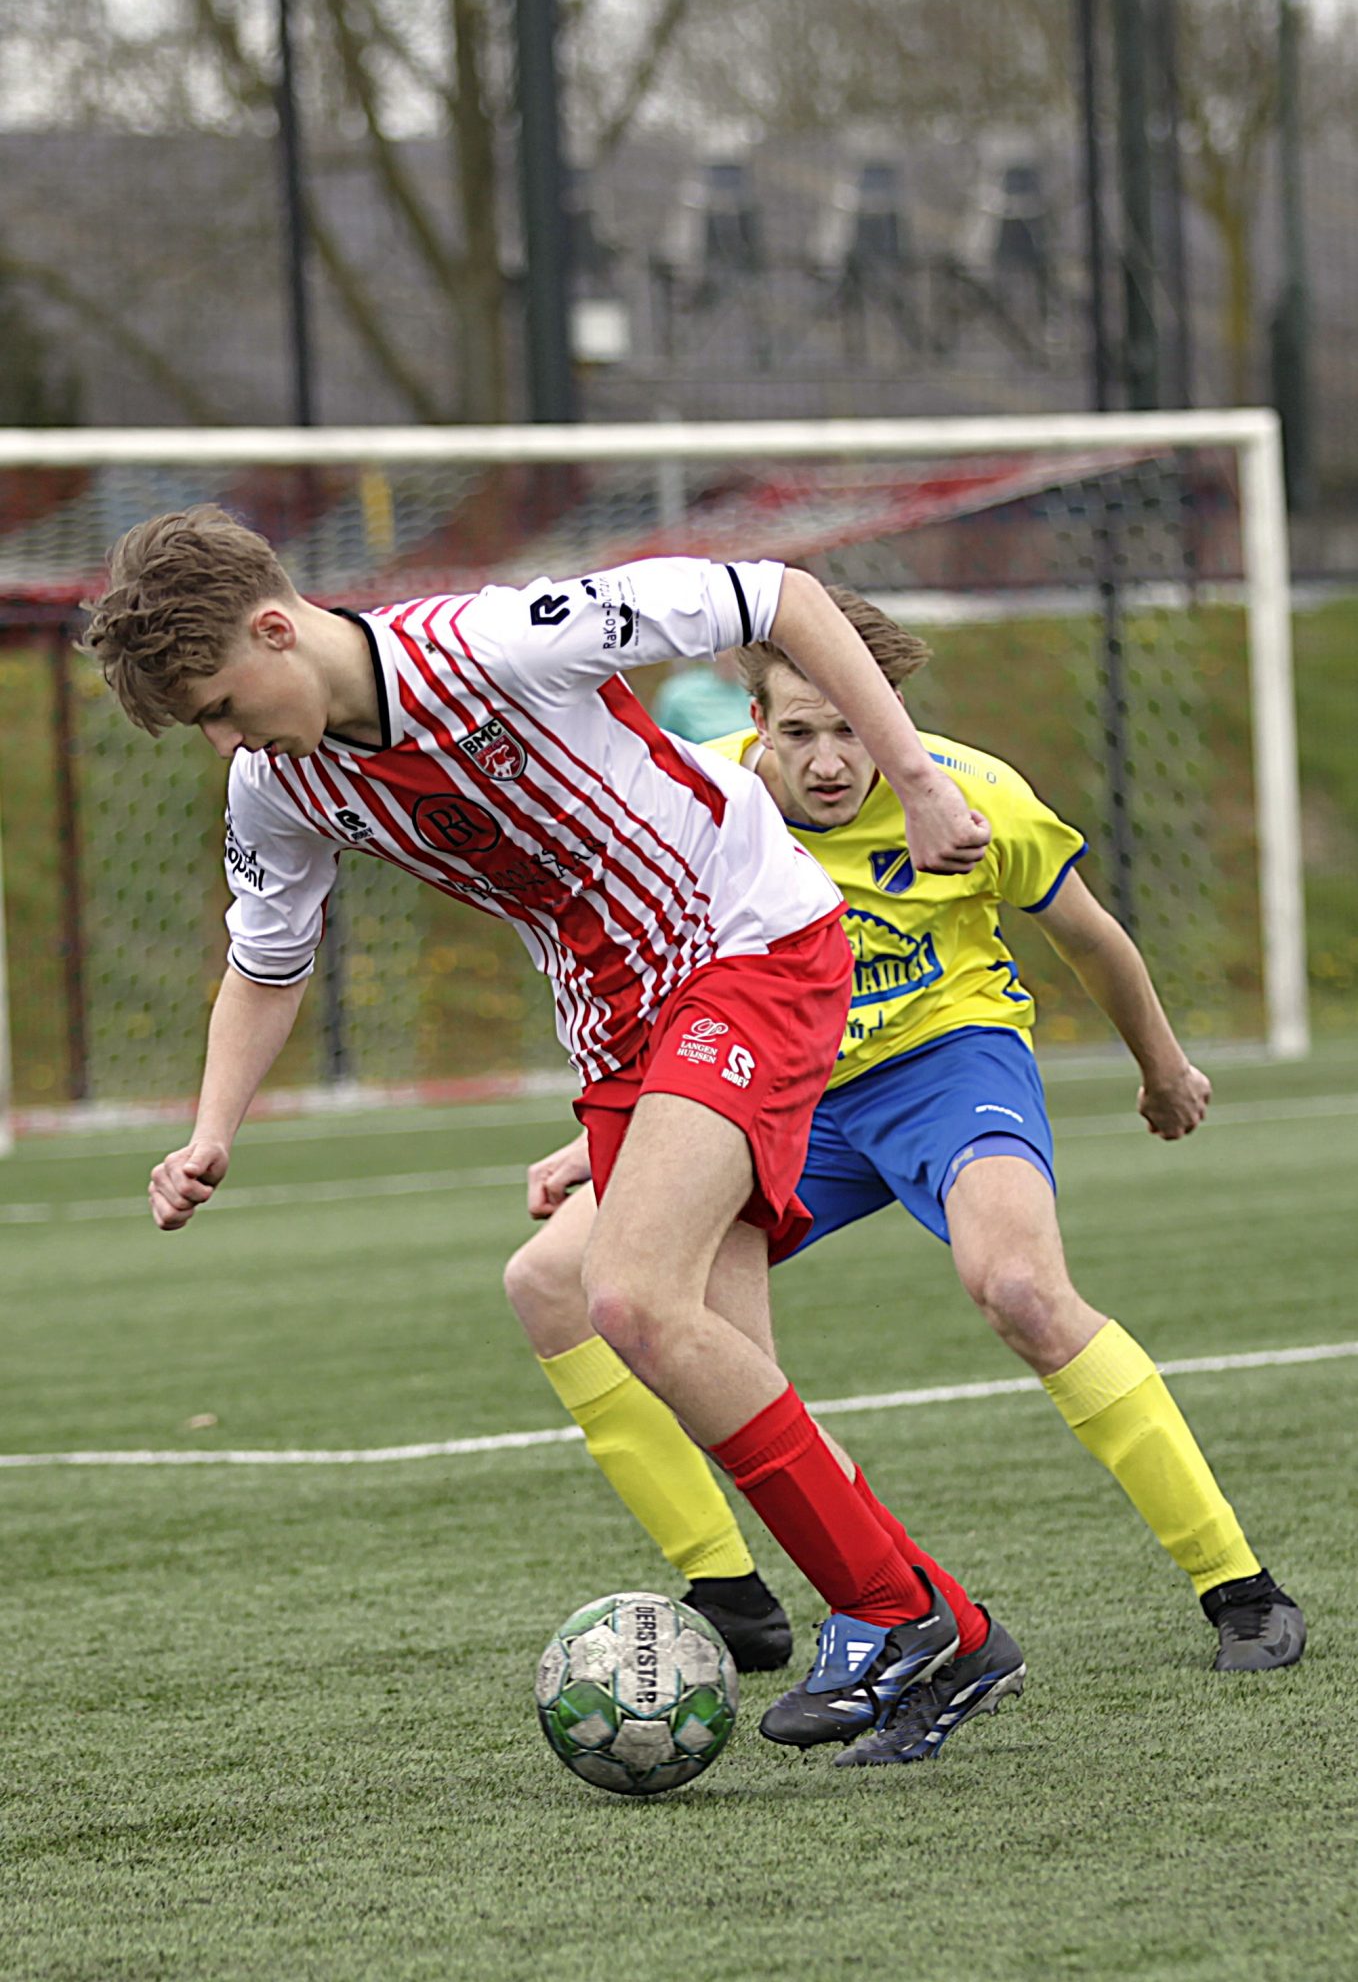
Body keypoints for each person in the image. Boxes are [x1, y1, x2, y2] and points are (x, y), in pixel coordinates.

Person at [80, 507, 1024, 1771]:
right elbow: (266, 962)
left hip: (748, 945)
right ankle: (955, 1631)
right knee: (720, 1362)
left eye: (219, 705)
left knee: (623, 1295)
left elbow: (780, 595)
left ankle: (892, 1615)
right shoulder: (278, 783)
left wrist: (914, 778)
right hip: (618, 1033)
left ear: (273, 629)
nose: (223, 739)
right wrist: (212, 1130)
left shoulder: (499, 639)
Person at [505, 587, 1305, 1763]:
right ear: (754, 722)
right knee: (554, 1281)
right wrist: (609, 1138)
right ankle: (741, 1593)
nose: (829, 761)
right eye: (798, 732)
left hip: (944, 1062)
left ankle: (1236, 1584)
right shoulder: (703, 801)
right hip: (783, 1087)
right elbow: (664, 980)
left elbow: (1090, 936)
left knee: (1019, 1288)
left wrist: (1162, 1068)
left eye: (851, 728)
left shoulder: (968, 793)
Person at [651, 646, 752, 742]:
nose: (728, 655)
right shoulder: (678, 695)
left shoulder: (757, 692)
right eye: (725, 647)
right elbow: (661, 744)